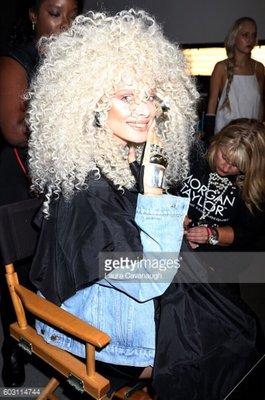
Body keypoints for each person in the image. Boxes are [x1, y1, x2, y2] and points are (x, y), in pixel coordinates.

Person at [26, 9, 197, 395]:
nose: (144, 109)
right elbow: (147, 279)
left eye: (151, 96)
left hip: (113, 308)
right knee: (221, 349)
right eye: (125, 96)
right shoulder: (88, 186)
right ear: (91, 103)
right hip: (97, 335)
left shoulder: (116, 158)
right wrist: (154, 190)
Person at [0, 0, 83, 387]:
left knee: (57, 265)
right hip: (20, 182)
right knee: (17, 272)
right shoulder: (16, 62)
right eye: (54, 13)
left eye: (71, 15)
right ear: (33, 15)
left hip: (60, 181)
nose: (64, 24)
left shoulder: (77, 60)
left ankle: (57, 339)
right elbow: (15, 128)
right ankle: (12, 350)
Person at [152, 119, 265, 399]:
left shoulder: (251, 186)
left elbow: (249, 236)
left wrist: (211, 234)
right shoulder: (192, 154)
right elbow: (156, 187)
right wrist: (172, 211)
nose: (225, 168)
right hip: (172, 250)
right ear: (218, 142)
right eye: (224, 157)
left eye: (235, 166)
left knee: (228, 329)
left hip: (218, 263)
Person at [205, 17, 264, 137]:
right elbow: (212, 104)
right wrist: (209, 138)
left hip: (251, 139)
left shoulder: (259, 68)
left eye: (253, 35)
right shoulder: (221, 68)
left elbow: (261, 104)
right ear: (234, 37)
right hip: (225, 139)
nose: (250, 40)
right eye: (245, 35)